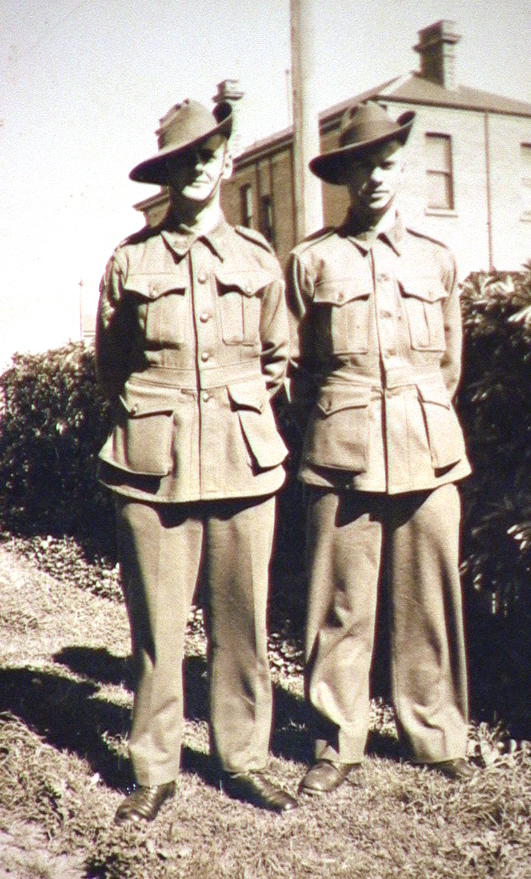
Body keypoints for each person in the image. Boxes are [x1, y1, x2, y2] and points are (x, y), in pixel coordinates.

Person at [96, 98, 297, 822]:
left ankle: (242, 758)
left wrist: (233, 412)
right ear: (169, 174)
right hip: (154, 467)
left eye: (209, 155)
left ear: (228, 161)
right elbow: (112, 365)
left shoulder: (256, 257)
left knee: (243, 620)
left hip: (243, 459)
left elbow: (278, 356)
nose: (199, 169)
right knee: (158, 625)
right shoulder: (132, 260)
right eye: (184, 161)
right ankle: (155, 768)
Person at [286, 100, 474, 796]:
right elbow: (295, 374)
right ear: (345, 176)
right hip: (342, 447)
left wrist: (416, 417)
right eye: (360, 166)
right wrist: (343, 416)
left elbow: (450, 365)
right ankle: (337, 742)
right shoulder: (311, 262)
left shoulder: (437, 258)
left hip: (429, 447)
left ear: (402, 168)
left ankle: (437, 734)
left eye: (386, 163)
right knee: (340, 604)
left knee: (430, 599)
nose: (374, 178)